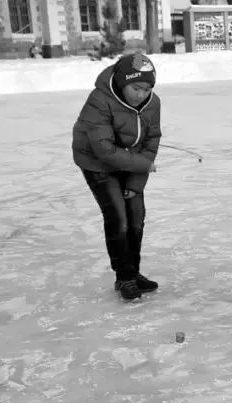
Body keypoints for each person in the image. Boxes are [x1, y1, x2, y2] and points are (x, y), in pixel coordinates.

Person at [72, 53, 161, 301]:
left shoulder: (153, 104)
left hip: (129, 161)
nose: (142, 94)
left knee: (136, 217)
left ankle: (132, 273)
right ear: (123, 83)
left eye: (147, 88)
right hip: (96, 162)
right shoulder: (100, 100)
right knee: (118, 218)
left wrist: (135, 183)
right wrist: (143, 164)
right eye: (136, 87)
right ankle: (124, 277)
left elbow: (151, 141)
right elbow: (104, 149)